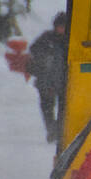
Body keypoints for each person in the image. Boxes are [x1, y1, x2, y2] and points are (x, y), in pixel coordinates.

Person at [29, 12, 68, 143]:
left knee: (65, 107)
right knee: (47, 107)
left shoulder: (70, 41)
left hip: (64, 81)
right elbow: (34, 49)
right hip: (46, 80)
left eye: (64, 26)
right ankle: (52, 129)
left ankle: (59, 129)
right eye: (59, 26)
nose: (61, 29)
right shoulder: (47, 38)